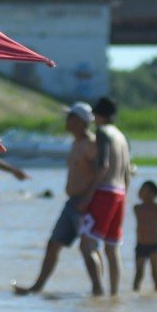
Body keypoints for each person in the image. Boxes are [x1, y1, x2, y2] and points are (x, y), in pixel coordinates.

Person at [14, 103, 99, 296]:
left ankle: (98, 290)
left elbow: (99, 175)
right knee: (53, 244)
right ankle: (37, 287)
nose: (66, 121)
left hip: (85, 204)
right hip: (72, 202)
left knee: (87, 247)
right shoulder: (76, 143)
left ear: (79, 121)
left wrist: (88, 200)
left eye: (69, 117)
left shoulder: (90, 145)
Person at [79, 96, 132, 296]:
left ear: (97, 114)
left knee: (87, 244)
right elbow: (127, 170)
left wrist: (88, 196)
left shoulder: (102, 132)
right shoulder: (122, 136)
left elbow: (103, 166)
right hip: (120, 192)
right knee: (112, 248)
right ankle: (114, 294)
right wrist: (124, 193)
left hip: (105, 191)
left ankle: (97, 290)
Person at [132, 180, 157, 293]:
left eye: (144, 190)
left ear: (152, 194)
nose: (140, 192)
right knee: (139, 272)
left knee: (155, 272)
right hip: (141, 244)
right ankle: (135, 292)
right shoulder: (137, 208)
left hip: (154, 245)